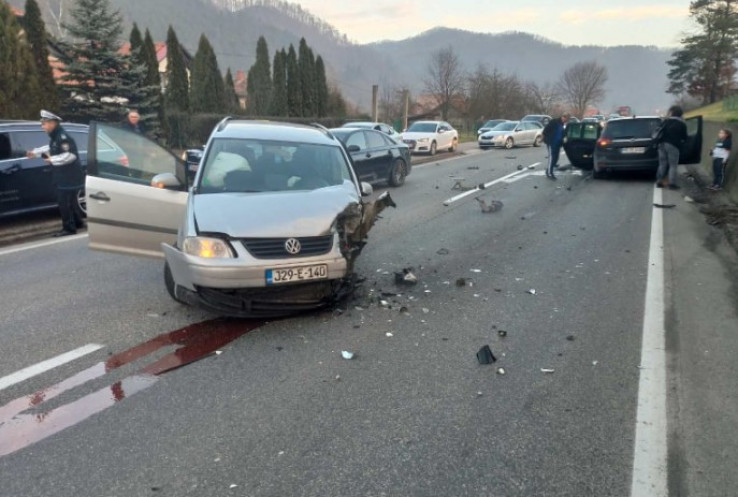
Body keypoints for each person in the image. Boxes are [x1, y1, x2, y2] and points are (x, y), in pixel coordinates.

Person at [26, 110, 85, 237]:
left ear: (53, 123)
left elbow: (70, 155)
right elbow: (50, 147)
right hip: (65, 176)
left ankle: (69, 228)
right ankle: (77, 222)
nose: (43, 127)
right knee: (71, 201)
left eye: (44, 124)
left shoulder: (63, 137)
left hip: (68, 176)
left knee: (64, 202)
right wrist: (35, 153)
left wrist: (52, 159)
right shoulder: (56, 137)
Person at [655, 105, 688, 190]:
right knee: (673, 165)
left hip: (661, 144)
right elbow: (684, 137)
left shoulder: (665, 121)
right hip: (673, 145)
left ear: (671, 112)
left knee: (662, 164)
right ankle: (672, 184)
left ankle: (659, 181)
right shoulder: (681, 123)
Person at [542, 113, 570, 180]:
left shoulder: (562, 124)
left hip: (557, 144)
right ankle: (550, 173)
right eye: (565, 119)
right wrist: (546, 139)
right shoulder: (554, 122)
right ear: (563, 117)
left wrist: (564, 138)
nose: (565, 121)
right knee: (551, 158)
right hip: (551, 143)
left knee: (555, 158)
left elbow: (563, 133)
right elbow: (545, 131)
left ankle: (548, 170)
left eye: (566, 120)